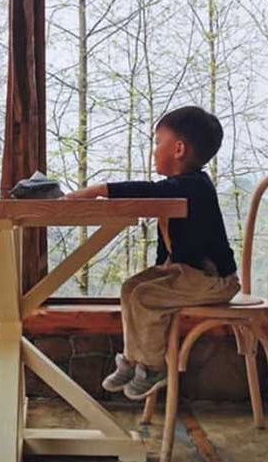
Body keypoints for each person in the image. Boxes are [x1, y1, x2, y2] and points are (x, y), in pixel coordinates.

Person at [65, 106, 240, 399]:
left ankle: (153, 366)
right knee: (131, 287)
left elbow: (150, 190)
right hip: (189, 274)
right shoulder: (179, 188)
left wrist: (99, 189)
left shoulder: (195, 186)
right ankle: (134, 360)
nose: (154, 150)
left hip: (214, 279)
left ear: (179, 149)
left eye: (158, 142)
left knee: (145, 297)